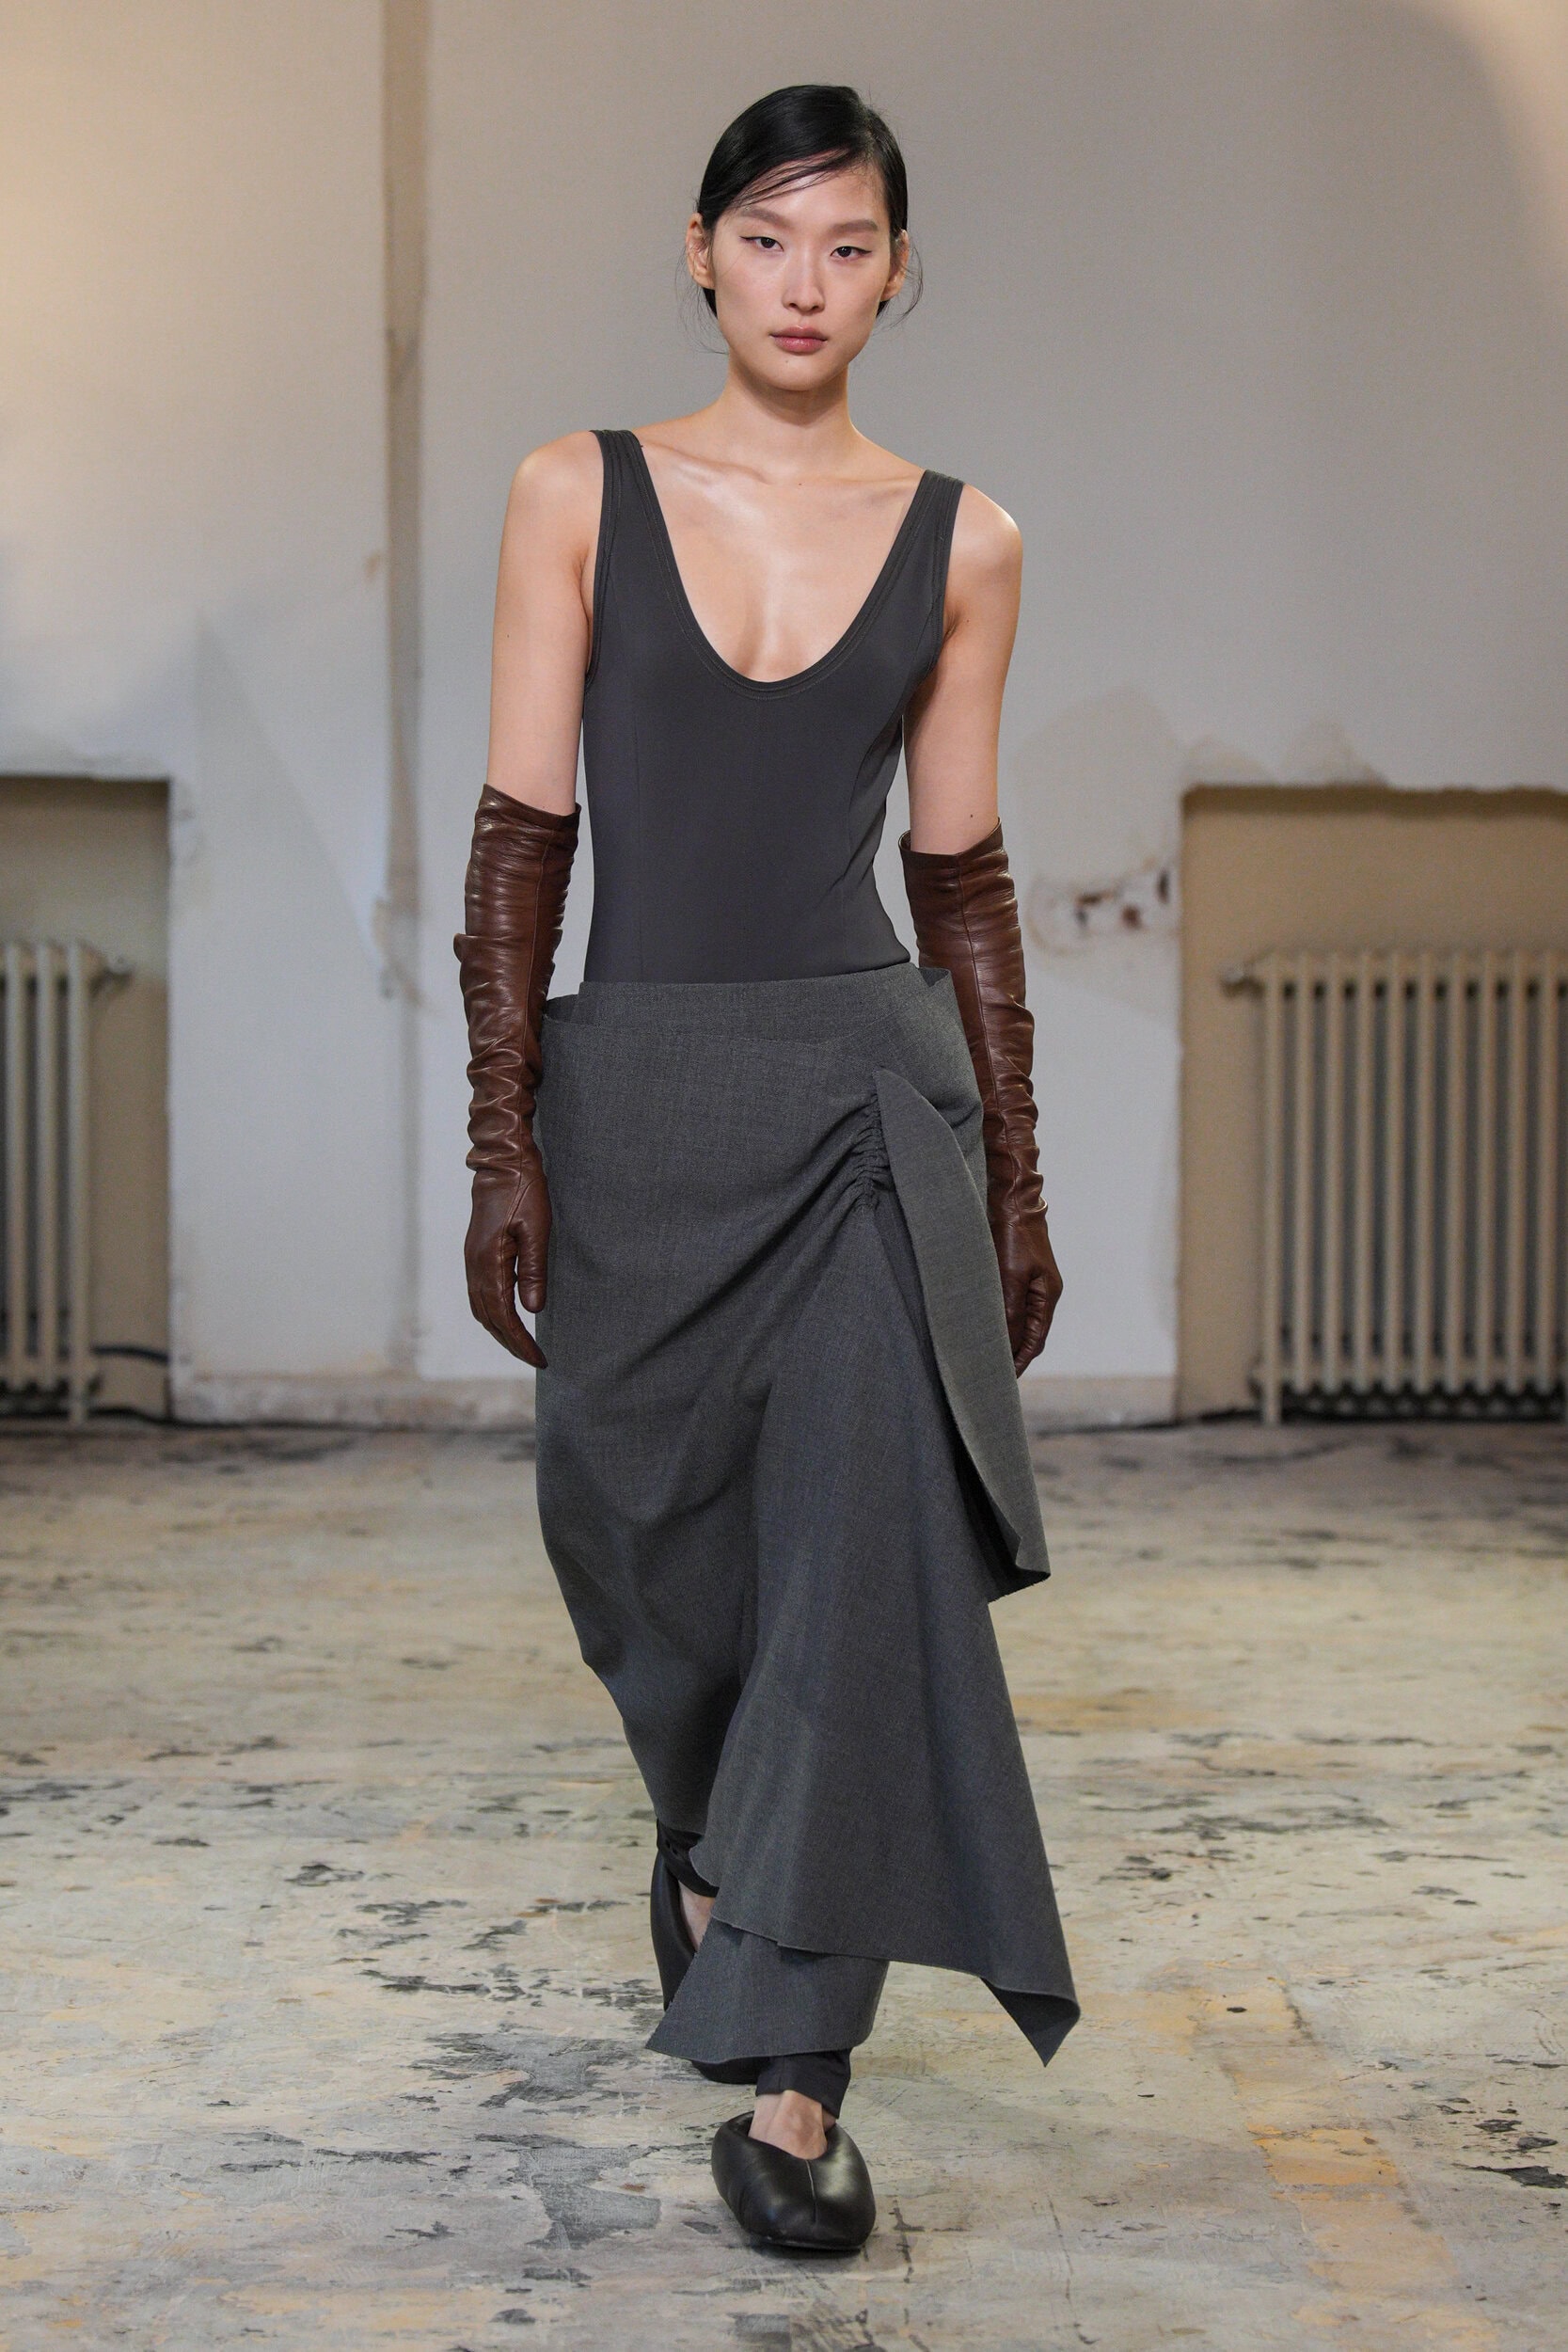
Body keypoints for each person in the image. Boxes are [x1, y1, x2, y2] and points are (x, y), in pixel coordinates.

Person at [454, 83, 1077, 2254]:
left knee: (860, 1566)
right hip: (639, 1103)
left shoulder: (966, 538)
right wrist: (503, 1133)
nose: (808, 283)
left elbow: (964, 877)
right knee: (646, 1553)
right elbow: (524, 838)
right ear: (702, 252)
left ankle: (800, 2074)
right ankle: (715, 1836)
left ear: (899, 272)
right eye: (769, 236)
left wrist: (1011, 1179)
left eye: (851, 243)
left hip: (856, 1120)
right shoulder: (576, 491)